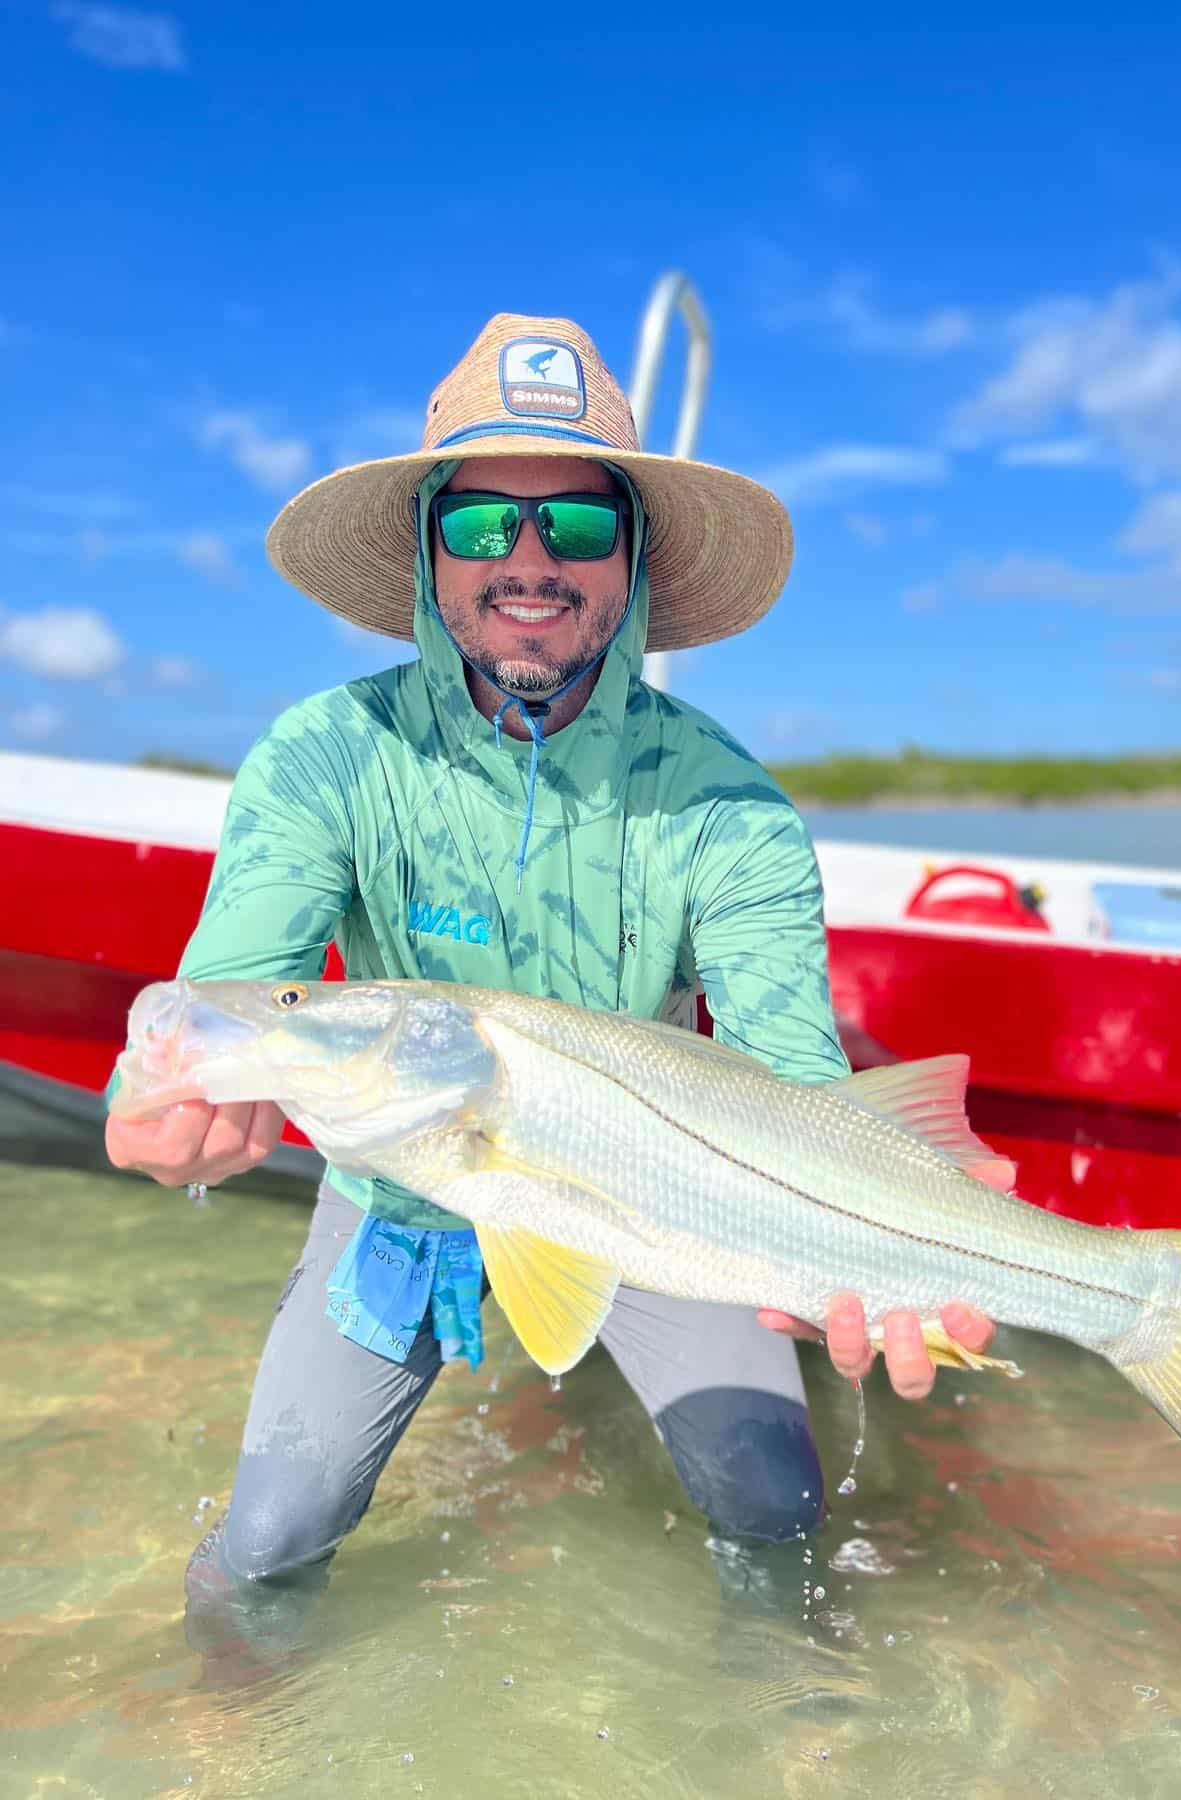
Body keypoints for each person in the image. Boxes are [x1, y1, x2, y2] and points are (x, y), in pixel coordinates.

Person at [104, 313, 999, 1624]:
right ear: (428, 553)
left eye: (575, 527)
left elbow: (795, 1078)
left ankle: (800, 1724)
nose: (528, 562)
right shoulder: (324, 755)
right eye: (479, 527)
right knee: (269, 1537)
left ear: (631, 558)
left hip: (658, 1199)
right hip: (404, 1189)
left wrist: (853, 1237)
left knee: (774, 1498)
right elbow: (237, 988)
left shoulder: (731, 806)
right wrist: (162, 1110)